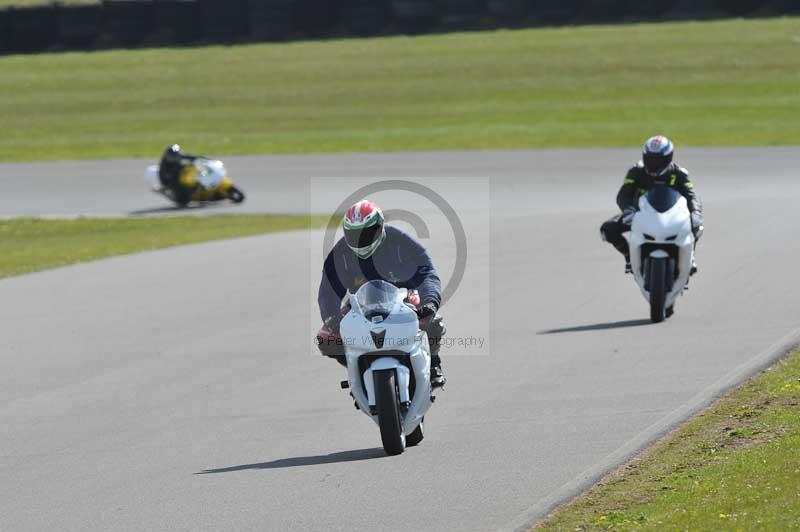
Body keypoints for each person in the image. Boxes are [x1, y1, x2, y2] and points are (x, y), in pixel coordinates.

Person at [316, 199, 447, 388]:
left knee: (433, 321)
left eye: (367, 233)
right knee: (326, 338)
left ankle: (434, 364)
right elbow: (327, 291)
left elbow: (426, 272)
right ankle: (357, 367)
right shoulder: (341, 254)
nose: (360, 240)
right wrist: (332, 319)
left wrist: (430, 302)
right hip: (361, 303)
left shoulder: (400, 241)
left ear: (380, 227)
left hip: (403, 297)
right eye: (354, 234)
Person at [600, 135, 704, 274]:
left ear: (668, 158)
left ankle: (690, 257)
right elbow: (623, 195)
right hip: (639, 216)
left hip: (671, 217)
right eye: (650, 158)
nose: (654, 163)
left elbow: (692, 195)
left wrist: (695, 213)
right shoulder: (636, 171)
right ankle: (629, 257)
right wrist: (629, 210)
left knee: (697, 225)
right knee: (607, 230)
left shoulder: (679, 173)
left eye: (658, 159)